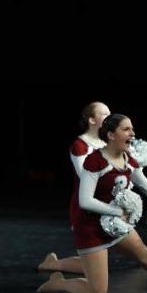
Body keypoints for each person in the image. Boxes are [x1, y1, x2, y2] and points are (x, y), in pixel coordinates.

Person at [37, 114, 147, 293]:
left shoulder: (128, 160)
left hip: (117, 225)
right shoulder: (95, 161)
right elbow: (84, 200)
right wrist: (118, 211)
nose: (132, 133)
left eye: (132, 129)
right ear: (110, 135)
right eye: (126, 129)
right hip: (90, 228)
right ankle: (59, 283)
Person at [38, 102, 110, 273]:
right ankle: (52, 265)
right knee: (94, 268)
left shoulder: (107, 143)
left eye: (110, 113)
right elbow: (86, 178)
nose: (110, 117)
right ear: (92, 119)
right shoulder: (80, 146)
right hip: (87, 208)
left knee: (98, 264)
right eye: (104, 114)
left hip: (107, 205)